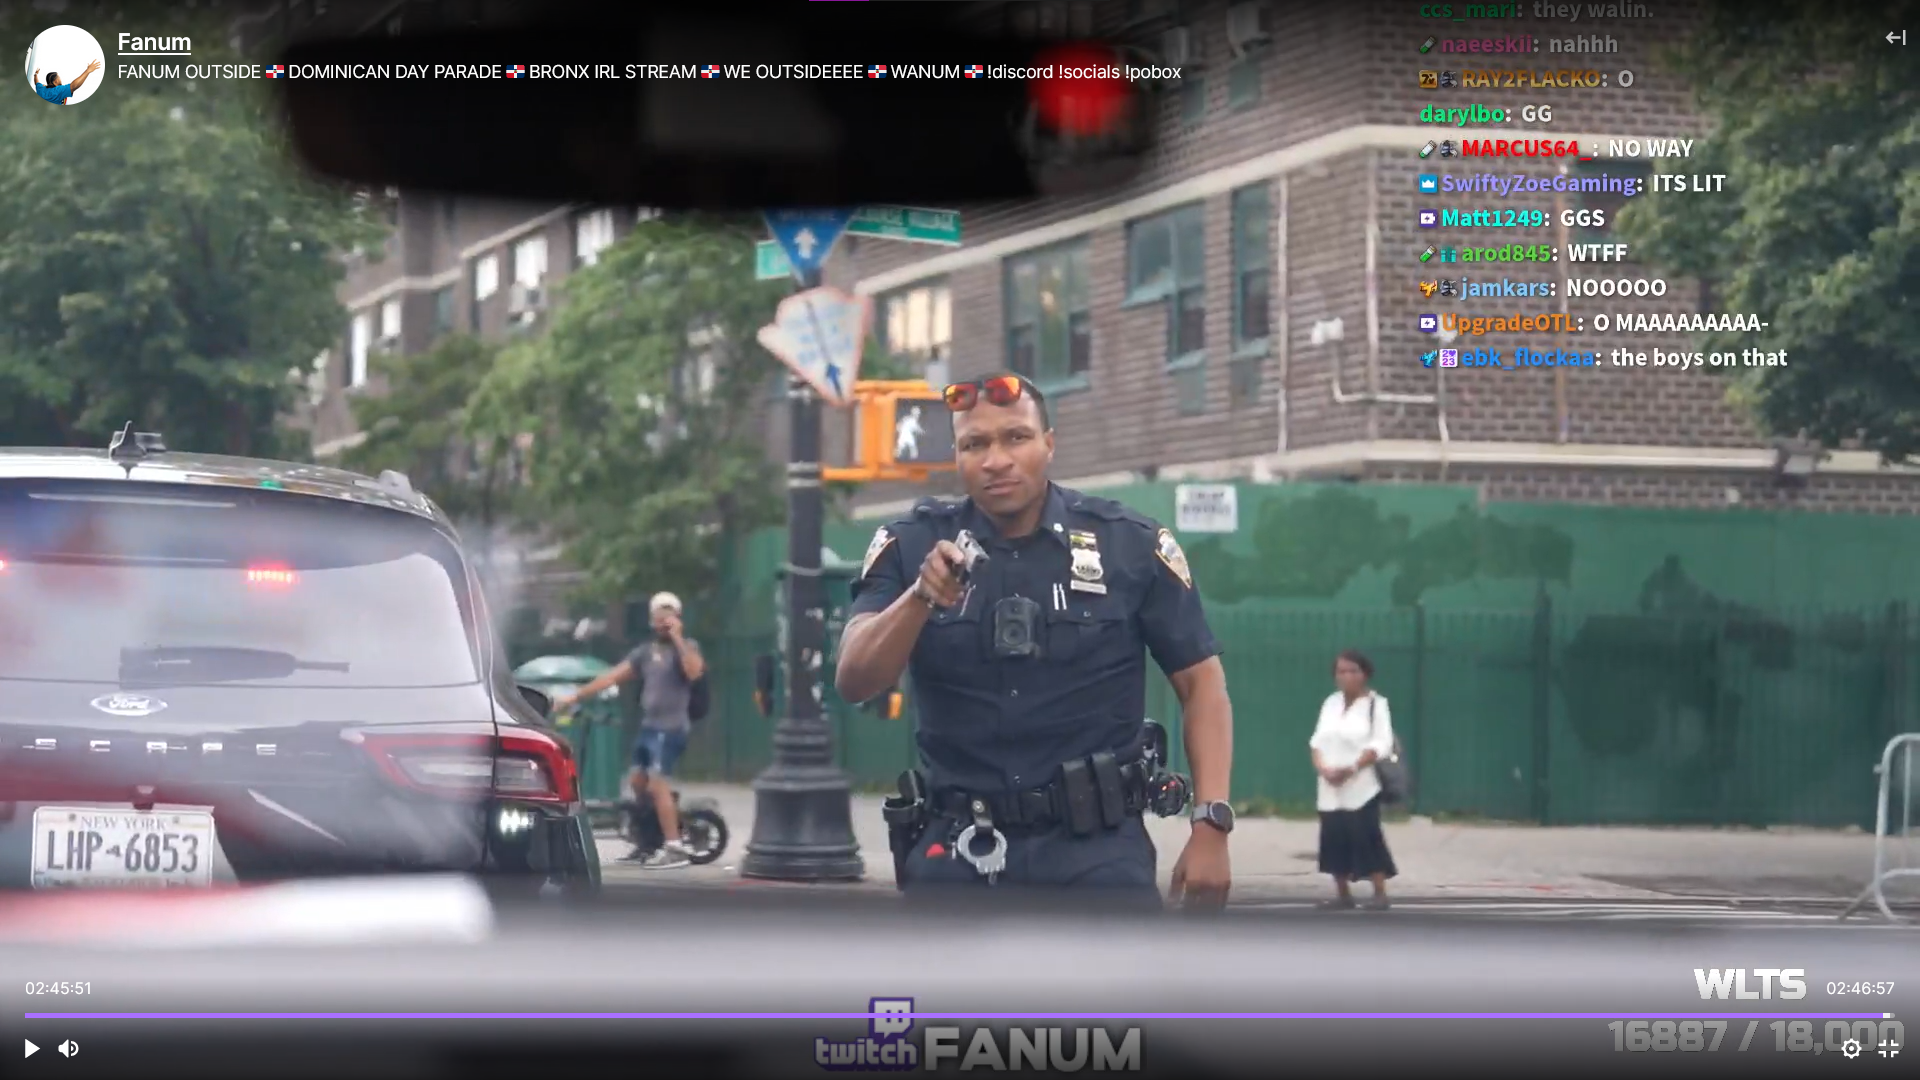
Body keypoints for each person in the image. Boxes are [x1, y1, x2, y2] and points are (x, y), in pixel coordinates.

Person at [836, 373, 1234, 910]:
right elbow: (856, 678)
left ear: (1049, 442)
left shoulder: (1129, 545)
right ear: (956, 455)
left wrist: (1210, 824)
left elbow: (1201, 682)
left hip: (1096, 854)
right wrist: (920, 598)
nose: (995, 459)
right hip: (957, 850)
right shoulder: (911, 544)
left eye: (1015, 438)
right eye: (975, 444)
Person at [554, 592, 705, 868]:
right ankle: (649, 840)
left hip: (671, 728)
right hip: (649, 727)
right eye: (659, 617)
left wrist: (679, 639)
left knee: (658, 782)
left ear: (678, 618)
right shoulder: (645, 652)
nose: (663, 622)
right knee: (637, 782)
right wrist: (574, 697)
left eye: (669, 616)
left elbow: (694, 672)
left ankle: (675, 847)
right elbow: (612, 676)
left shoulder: (687, 647)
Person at [1309, 649, 1398, 910]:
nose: (1346, 676)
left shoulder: (1375, 704)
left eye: (1353, 671)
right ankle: (1342, 894)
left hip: (1361, 784)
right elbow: (1317, 741)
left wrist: (1351, 769)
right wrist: (1323, 768)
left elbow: (1382, 743)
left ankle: (1379, 893)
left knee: (1366, 836)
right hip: (1329, 785)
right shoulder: (1331, 703)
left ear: (1365, 674)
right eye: (1341, 671)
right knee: (1333, 836)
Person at [34, 60, 102, 105]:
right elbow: (74, 86)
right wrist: (88, 71)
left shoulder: (40, 88)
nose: (61, 79)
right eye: (59, 77)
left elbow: (36, 81)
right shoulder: (58, 90)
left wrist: (36, 74)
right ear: (56, 81)